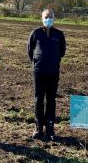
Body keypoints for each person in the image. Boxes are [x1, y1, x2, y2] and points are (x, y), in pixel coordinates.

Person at [27, 9, 66, 141]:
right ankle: (38, 128)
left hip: (53, 72)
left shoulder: (59, 34)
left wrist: (53, 61)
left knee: (51, 100)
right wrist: (38, 61)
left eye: (50, 17)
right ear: (41, 18)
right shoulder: (35, 33)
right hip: (38, 72)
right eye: (46, 16)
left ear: (54, 18)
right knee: (38, 99)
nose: (48, 18)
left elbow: (62, 51)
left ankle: (50, 129)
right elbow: (30, 51)